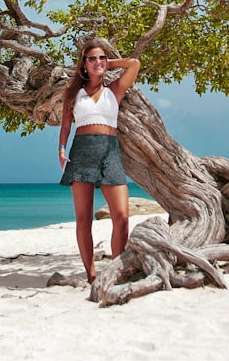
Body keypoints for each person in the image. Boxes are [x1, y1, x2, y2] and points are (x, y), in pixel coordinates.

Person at [58, 39, 141, 284]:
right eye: (92, 58)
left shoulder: (114, 89)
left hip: (109, 151)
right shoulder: (73, 93)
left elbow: (134, 63)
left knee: (122, 216)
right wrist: (61, 149)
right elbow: (65, 126)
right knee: (84, 220)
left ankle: (118, 270)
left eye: (101, 58)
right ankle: (92, 275)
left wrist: (105, 63)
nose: (98, 62)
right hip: (82, 152)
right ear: (83, 64)